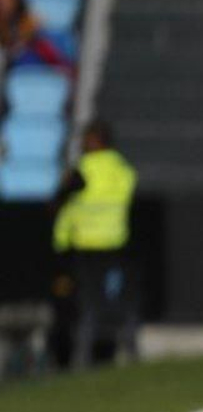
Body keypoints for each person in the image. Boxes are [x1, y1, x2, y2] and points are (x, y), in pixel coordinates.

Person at [51, 119, 139, 370]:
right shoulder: (123, 170)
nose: (82, 145)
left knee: (83, 305)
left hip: (82, 246)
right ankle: (129, 349)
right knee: (115, 301)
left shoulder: (84, 169)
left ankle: (81, 357)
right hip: (114, 243)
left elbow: (59, 200)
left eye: (86, 139)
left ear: (95, 140)